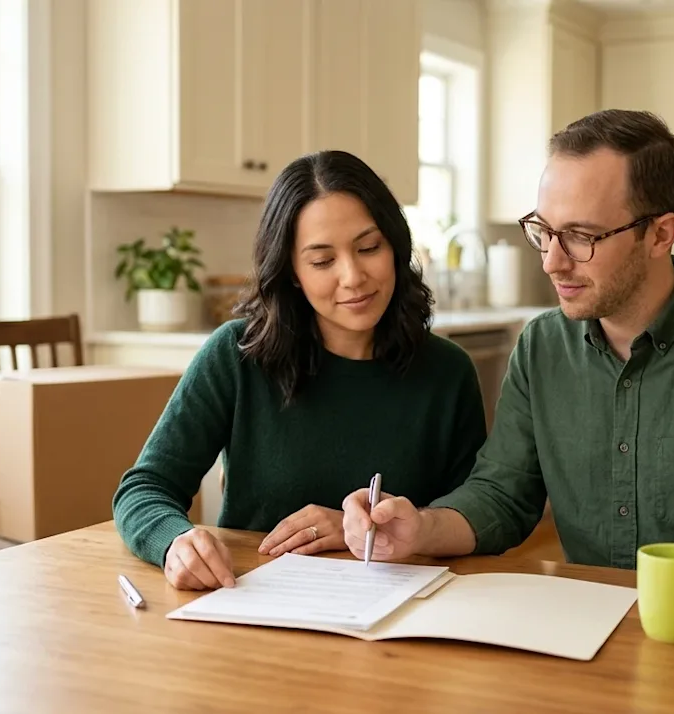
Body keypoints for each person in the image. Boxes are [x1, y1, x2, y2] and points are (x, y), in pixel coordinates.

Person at [341, 109, 674, 635]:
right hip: (586, 636)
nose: (552, 261)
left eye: (581, 237)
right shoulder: (541, 347)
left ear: (660, 234)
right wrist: (420, 527)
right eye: (543, 231)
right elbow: (503, 496)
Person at [113, 149, 487, 591]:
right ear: (292, 272)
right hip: (255, 603)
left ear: (395, 245)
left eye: (369, 248)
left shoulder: (448, 372)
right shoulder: (236, 355)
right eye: (322, 261)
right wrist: (174, 540)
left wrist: (376, 531)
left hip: (401, 615)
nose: (353, 276)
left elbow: (474, 515)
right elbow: (144, 488)